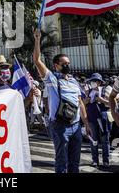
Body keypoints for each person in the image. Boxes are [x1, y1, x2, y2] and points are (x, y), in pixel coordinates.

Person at [32, 28, 91, 173]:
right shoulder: (52, 79)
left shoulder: (74, 81)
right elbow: (37, 60)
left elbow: (80, 102)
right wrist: (37, 39)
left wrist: (86, 124)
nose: (67, 66)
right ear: (56, 66)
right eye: (64, 63)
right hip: (60, 126)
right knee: (62, 162)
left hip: (76, 126)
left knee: (74, 162)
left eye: (68, 63)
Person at [85, 73, 111, 169]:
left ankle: (105, 161)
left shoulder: (106, 89)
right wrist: (85, 101)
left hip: (104, 118)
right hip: (92, 118)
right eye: (91, 81)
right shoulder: (88, 91)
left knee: (105, 140)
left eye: (94, 81)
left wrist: (102, 100)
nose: (92, 83)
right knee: (93, 140)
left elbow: (112, 103)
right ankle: (95, 160)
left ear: (99, 82)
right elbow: (82, 104)